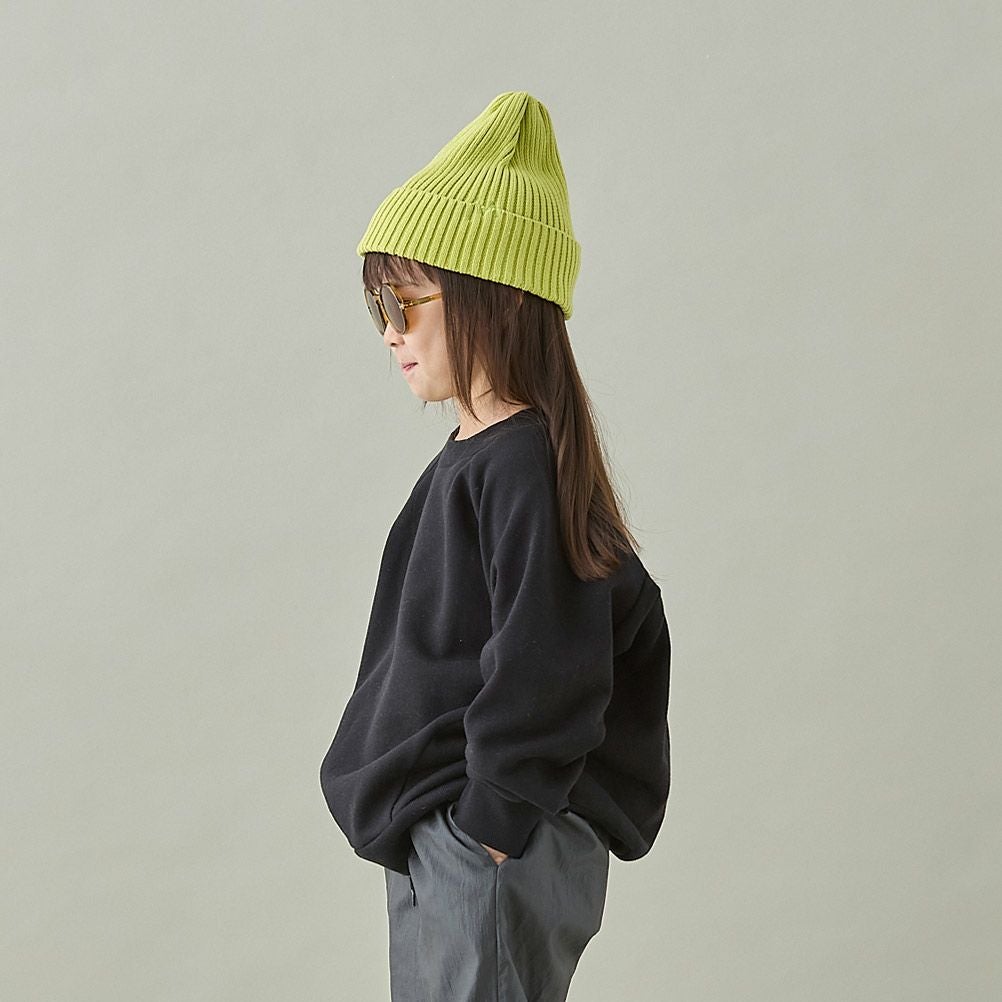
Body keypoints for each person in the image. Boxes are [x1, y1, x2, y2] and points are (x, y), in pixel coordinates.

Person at [319, 90, 672, 1002]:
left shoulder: (520, 465)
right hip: (451, 839)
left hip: (482, 841)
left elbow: (552, 658)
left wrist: (490, 824)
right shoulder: (487, 460)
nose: (390, 331)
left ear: (504, 293)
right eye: (378, 304)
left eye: (408, 300)